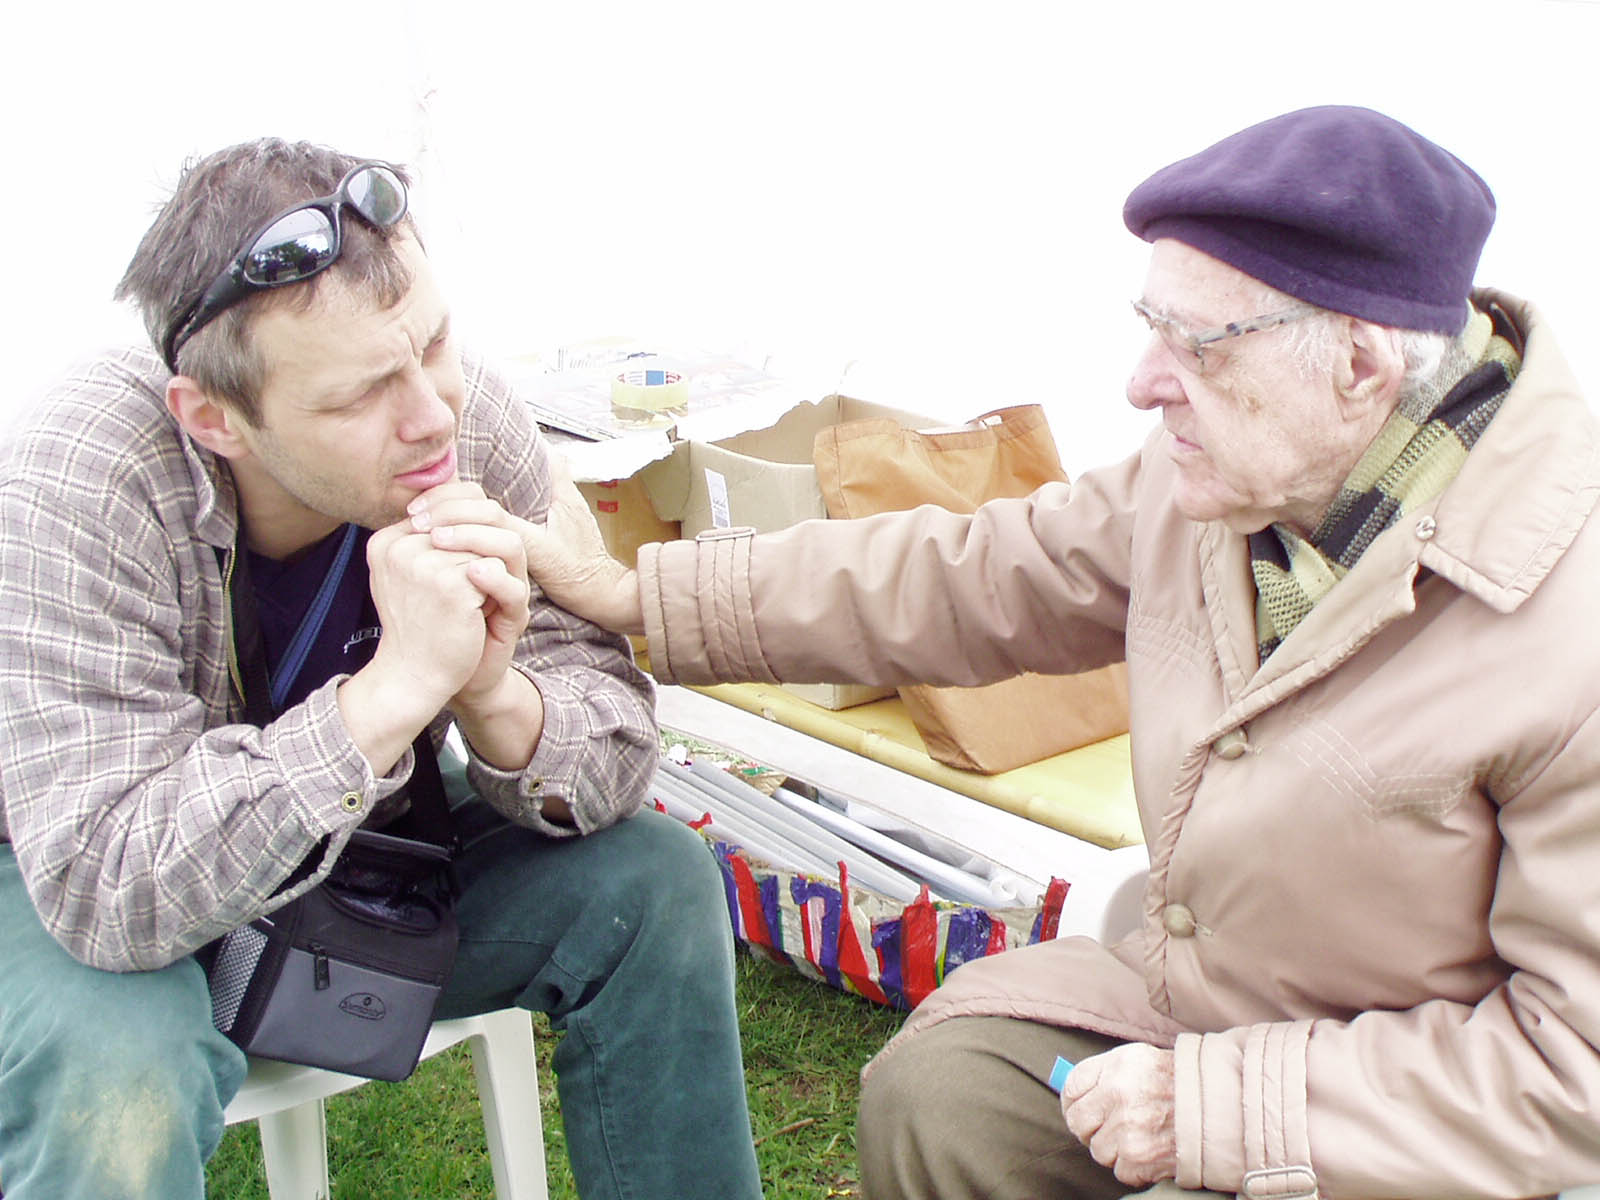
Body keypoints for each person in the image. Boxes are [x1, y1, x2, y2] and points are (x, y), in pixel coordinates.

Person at [431, 105, 1600, 1198]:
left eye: (1199, 347)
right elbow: (967, 576)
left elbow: (1574, 1071)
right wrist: (634, 591)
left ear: (1360, 368)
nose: (1141, 384)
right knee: (944, 1101)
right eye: (1150, 328)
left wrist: (1216, 1110)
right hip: (1197, 1003)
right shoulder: (1224, 481)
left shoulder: (1567, 620)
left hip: (1404, 1111)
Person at [0, 139, 765, 1200]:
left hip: (361, 839)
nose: (431, 414)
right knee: (119, 1075)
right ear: (213, 418)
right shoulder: (84, 473)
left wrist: (495, 695)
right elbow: (102, 883)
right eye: (360, 395)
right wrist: (387, 698)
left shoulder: (462, 421)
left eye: (433, 342)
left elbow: (614, 744)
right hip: (75, 874)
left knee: (654, 883)